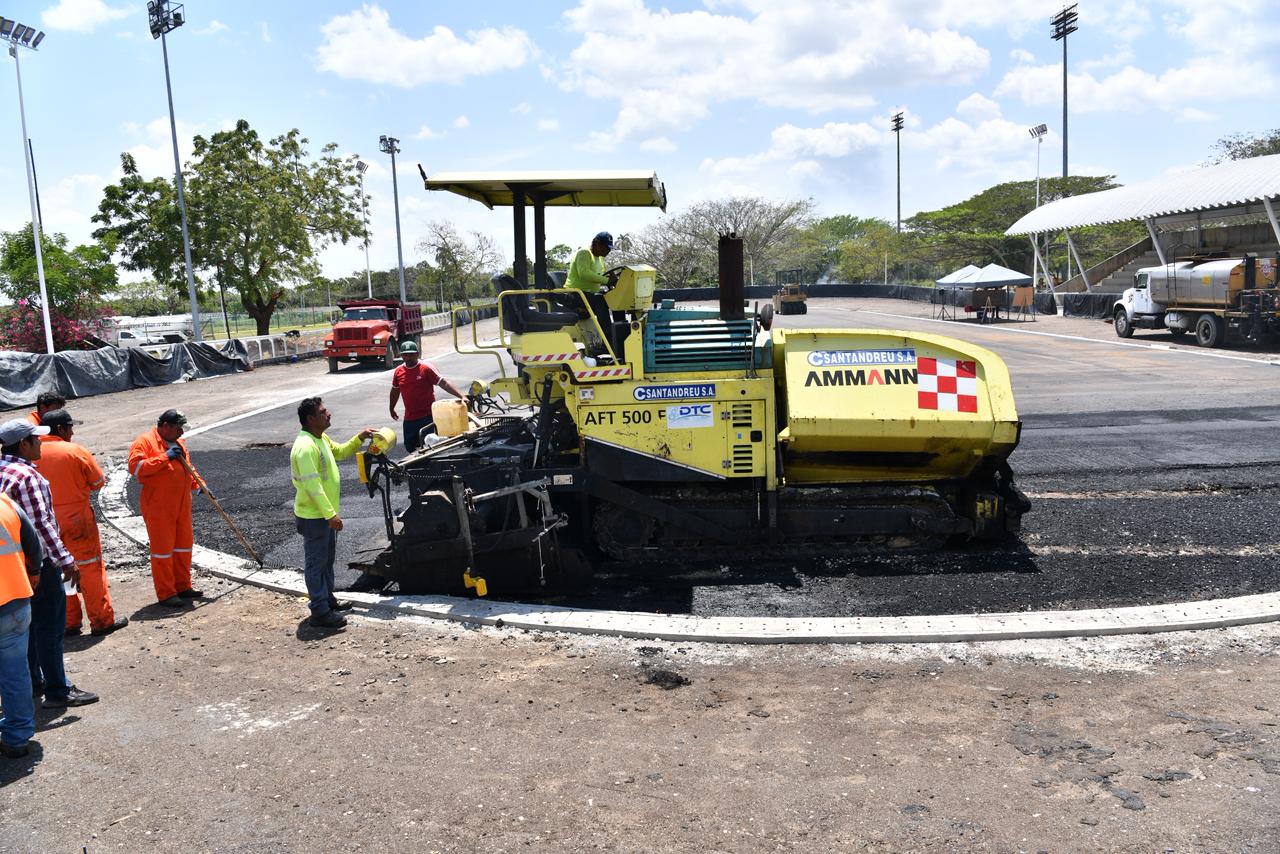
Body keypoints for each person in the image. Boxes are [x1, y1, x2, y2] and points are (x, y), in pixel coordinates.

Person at [0, 419, 97, 710]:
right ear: (24, 444)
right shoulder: (27, 477)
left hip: (13, 566)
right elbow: (40, 526)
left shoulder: (3, 470)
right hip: (39, 564)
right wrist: (66, 561)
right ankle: (57, 690)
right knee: (50, 628)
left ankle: (34, 681)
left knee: (26, 628)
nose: (41, 443)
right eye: (36, 439)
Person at [40, 410, 126, 637]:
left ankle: (69, 621)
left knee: (63, 570)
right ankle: (101, 620)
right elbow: (98, 482)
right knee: (89, 569)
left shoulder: (31, 452)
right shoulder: (75, 451)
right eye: (70, 427)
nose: (72, 432)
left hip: (48, 523)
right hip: (77, 519)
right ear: (60, 429)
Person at [290, 397, 374, 629]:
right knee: (316, 564)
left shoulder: (320, 438)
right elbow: (313, 487)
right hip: (315, 517)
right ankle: (319, 612)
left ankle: (327, 600)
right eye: (323, 412)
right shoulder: (305, 447)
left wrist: (359, 438)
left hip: (323, 516)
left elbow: (341, 451)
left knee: (326, 561)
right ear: (310, 419)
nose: (328, 414)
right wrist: (330, 515)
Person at [127, 410, 205, 608]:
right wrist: (164, 458)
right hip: (159, 507)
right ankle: (166, 593)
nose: (181, 432)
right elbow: (136, 468)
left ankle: (183, 586)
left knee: (183, 546)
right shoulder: (144, 442)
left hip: (181, 505)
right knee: (162, 551)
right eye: (178, 428)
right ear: (165, 426)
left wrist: (199, 484)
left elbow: (188, 468)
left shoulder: (178, 443)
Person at [0, 492, 45, 758]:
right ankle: (17, 737)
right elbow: (33, 545)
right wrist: (35, 572)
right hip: (15, 602)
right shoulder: (5, 503)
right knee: (15, 674)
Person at [388, 340, 467, 454]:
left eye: (411, 354)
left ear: (417, 354)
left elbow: (443, 383)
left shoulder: (426, 368)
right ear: (401, 355)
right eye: (405, 355)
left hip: (428, 416)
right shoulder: (398, 371)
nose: (408, 357)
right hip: (410, 418)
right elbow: (395, 390)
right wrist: (391, 408)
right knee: (410, 447)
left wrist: (461, 396)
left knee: (430, 446)